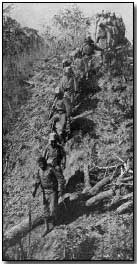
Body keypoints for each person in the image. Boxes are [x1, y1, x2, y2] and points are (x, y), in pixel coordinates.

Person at [32, 156, 58, 236]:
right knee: (44, 210)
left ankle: (55, 221)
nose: (41, 165)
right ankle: (46, 227)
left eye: (42, 163)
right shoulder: (38, 171)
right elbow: (37, 181)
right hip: (44, 192)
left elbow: (60, 178)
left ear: (45, 162)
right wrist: (34, 190)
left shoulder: (51, 169)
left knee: (53, 209)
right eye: (39, 164)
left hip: (52, 191)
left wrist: (60, 189)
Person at [43, 132, 66, 199]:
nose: (53, 143)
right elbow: (43, 157)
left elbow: (64, 156)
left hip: (56, 165)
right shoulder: (47, 147)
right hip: (48, 165)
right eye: (52, 141)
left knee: (61, 179)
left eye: (54, 141)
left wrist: (64, 163)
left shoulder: (59, 147)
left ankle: (61, 192)